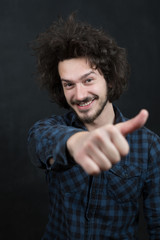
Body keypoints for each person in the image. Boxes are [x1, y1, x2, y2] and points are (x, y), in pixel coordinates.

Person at [28, 13, 160, 239]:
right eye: (68, 84)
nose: (79, 95)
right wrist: (77, 142)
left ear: (109, 79)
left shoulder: (149, 146)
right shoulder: (49, 129)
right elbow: (39, 143)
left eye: (88, 80)